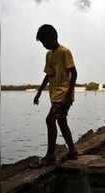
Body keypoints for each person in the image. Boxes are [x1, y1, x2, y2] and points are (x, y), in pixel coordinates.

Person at [33, 24, 78, 165]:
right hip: (54, 95)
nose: (44, 45)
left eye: (45, 42)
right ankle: (72, 151)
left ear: (53, 38)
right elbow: (48, 75)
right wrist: (39, 92)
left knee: (50, 120)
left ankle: (50, 155)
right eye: (42, 43)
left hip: (63, 94)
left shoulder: (65, 52)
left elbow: (74, 73)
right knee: (61, 122)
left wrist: (68, 95)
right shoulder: (49, 55)